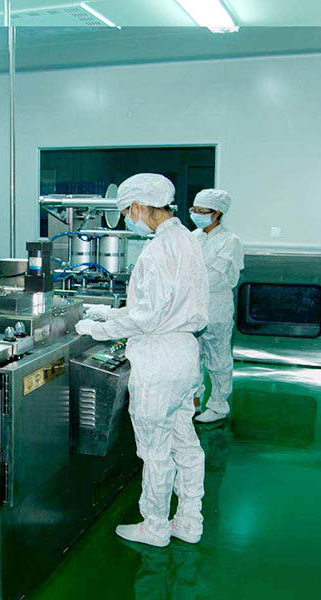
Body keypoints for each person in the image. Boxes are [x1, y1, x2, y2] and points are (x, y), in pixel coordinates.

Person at [77, 173, 209, 548]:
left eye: (126, 213)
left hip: (158, 359)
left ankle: (155, 526)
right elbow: (164, 305)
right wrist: (111, 312)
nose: (128, 220)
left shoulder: (157, 251)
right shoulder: (187, 240)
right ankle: (190, 521)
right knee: (185, 442)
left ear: (138, 206)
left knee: (155, 450)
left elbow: (148, 318)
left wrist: (99, 328)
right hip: (184, 353)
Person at [189, 189, 244, 423]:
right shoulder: (194, 237)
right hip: (191, 308)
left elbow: (218, 278)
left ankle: (219, 405)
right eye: (194, 210)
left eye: (202, 211)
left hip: (216, 308)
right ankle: (194, 400)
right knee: (192, 357)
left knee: (218, 358)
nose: (197, 215)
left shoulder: (230, 241)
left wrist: (186, 283)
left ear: (217, 212)